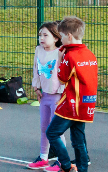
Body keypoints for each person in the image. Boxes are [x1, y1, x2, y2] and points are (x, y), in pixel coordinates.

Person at [45, 16, 98, 172]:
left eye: (61, 36)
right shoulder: (89, 54)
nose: (60, 39)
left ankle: (66, 166)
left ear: (69, 36)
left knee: (52, 132)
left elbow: (62, 79)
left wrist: (60, 59)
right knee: (78, 139)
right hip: (86, 103)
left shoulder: (69, 56)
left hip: (71, 104)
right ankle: (82, 169)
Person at [27, 21, 68, 170]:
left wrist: (63, 92)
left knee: (56, 130)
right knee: (44, 127)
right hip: (44, 96)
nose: (41, 38)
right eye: (40, 35)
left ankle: (62, 161)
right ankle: (43, 157)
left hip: (57, 96)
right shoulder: (39, 50)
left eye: (45, 35)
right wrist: (36, 86)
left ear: (56, 38)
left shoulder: (60, 52)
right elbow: (36, 68)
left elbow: (65, 73)